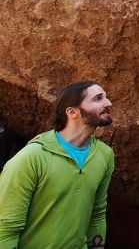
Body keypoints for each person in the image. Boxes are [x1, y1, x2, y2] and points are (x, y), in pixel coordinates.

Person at [0, 81, 115, 249]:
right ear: (72, 112)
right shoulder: (33, 157)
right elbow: (6, 225)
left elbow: (97, 213)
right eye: (98, 98)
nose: (108, 103)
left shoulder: (105, 155)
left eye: (105, 97)